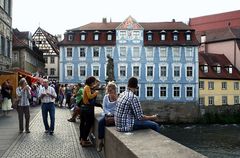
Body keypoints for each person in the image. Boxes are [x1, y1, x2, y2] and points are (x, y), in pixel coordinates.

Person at [97, 81, 117, 152]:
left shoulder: (118, 97)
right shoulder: (106, 97)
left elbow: (118, 108)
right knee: (100, 122)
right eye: (108, 90)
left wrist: (113, 114)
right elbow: (104, 107)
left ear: (114, 90)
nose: (109, 92)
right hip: (107, 114)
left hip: (115, 115)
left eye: (111, 90)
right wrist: (108, 113)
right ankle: (100, 142)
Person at [80, 76, 99, 147]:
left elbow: (95, 85)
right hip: (87, 109)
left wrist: (96, 82)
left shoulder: (87, 87)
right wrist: (96, 93)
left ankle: (82, 139)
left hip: (84, 108)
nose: (94, 83)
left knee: (83, 125)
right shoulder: (87, 87)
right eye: (93, 82)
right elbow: (90, 96)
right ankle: (84, 140)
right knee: (88, 125)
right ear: (91, 82)